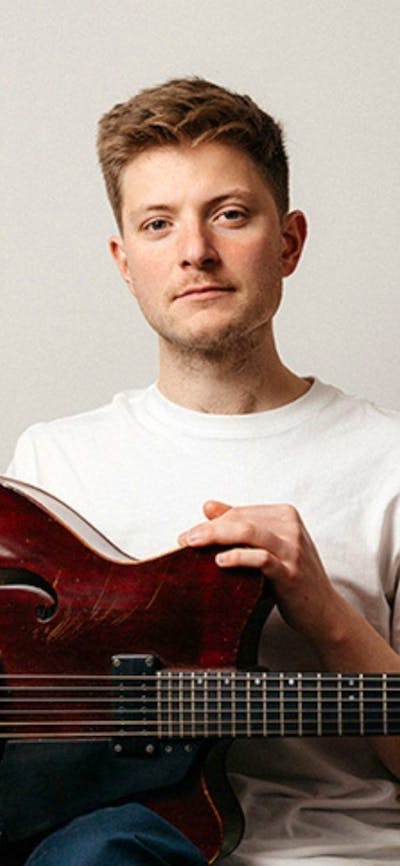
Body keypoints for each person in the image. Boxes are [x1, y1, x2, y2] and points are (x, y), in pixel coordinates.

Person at [4, 77, 400, 866]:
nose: (195, 251)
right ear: (124, 261)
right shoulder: (51, 463)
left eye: (230, 214)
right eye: (158, 224)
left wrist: (323, 612)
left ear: (287, 241)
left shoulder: (389, 464)